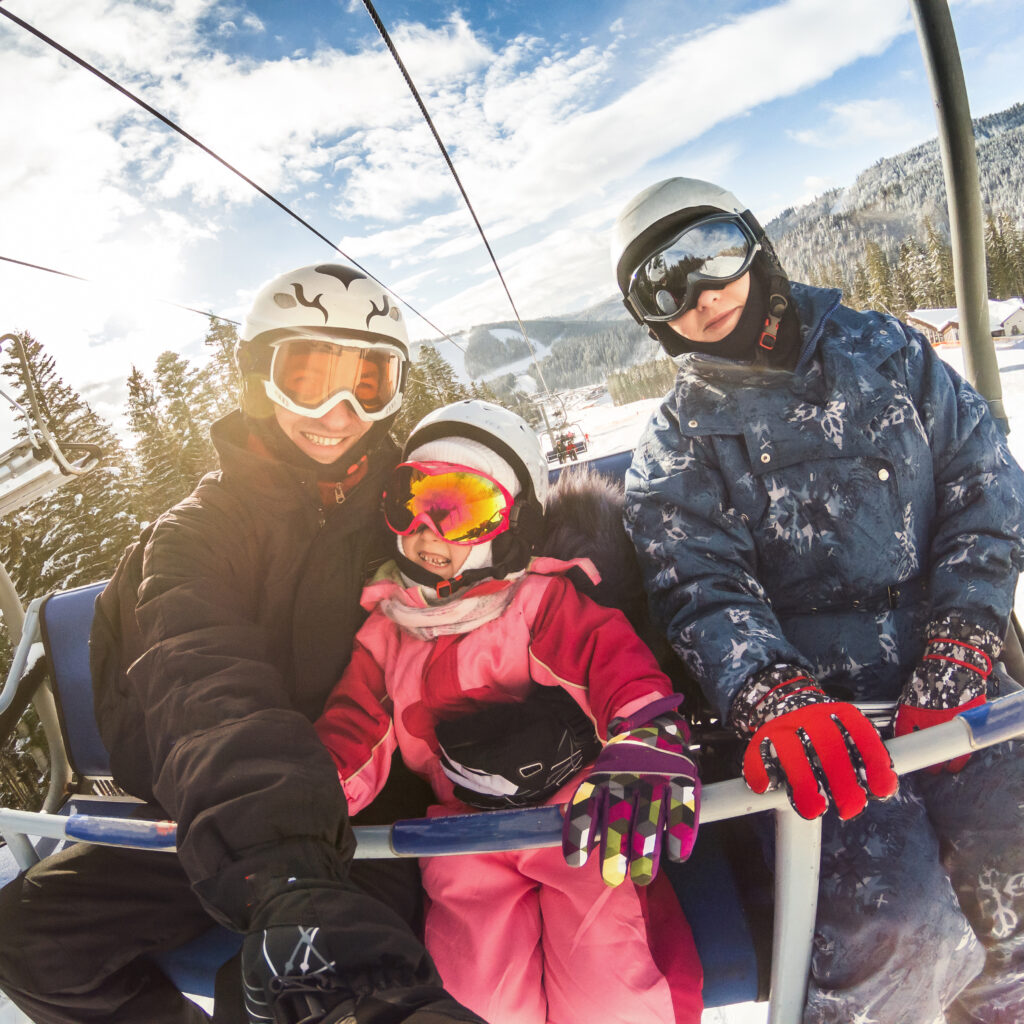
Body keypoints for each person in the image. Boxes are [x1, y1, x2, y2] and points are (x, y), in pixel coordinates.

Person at [0, 262, 486, 1024]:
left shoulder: (416, 513)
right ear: (259, 379)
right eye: (308, 375)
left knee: (341, 1000)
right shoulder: (196, 534)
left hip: (368, 817)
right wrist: (286, 879)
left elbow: (521, 592)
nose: (338, 409)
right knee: (28, 939)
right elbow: (201, 682)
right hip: (224, 813)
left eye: (368, 380)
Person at [613, 177, 1024, 1023]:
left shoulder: (887, 352)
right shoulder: (677, 443)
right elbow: (700, 587)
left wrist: (967, 634)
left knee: (1017, 871)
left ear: (756, 242)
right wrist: (773, 695)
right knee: (895, 922)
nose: (699, 295)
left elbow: (983, 481)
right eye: (663, 287)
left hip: (954, 681)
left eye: (711, 255)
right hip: (820, 726)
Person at [313, 399, 704, 1024]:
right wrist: (306, 804)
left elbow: (613, 665)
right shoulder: (389, 632)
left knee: (613, 989)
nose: (426, 527)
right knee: (478, 998)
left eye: (460, 509)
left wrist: (646, 738)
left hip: (574, 823)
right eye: (408, 501)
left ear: (512, 525)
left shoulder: (538, 604)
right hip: (464, 838)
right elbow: (355, 731)